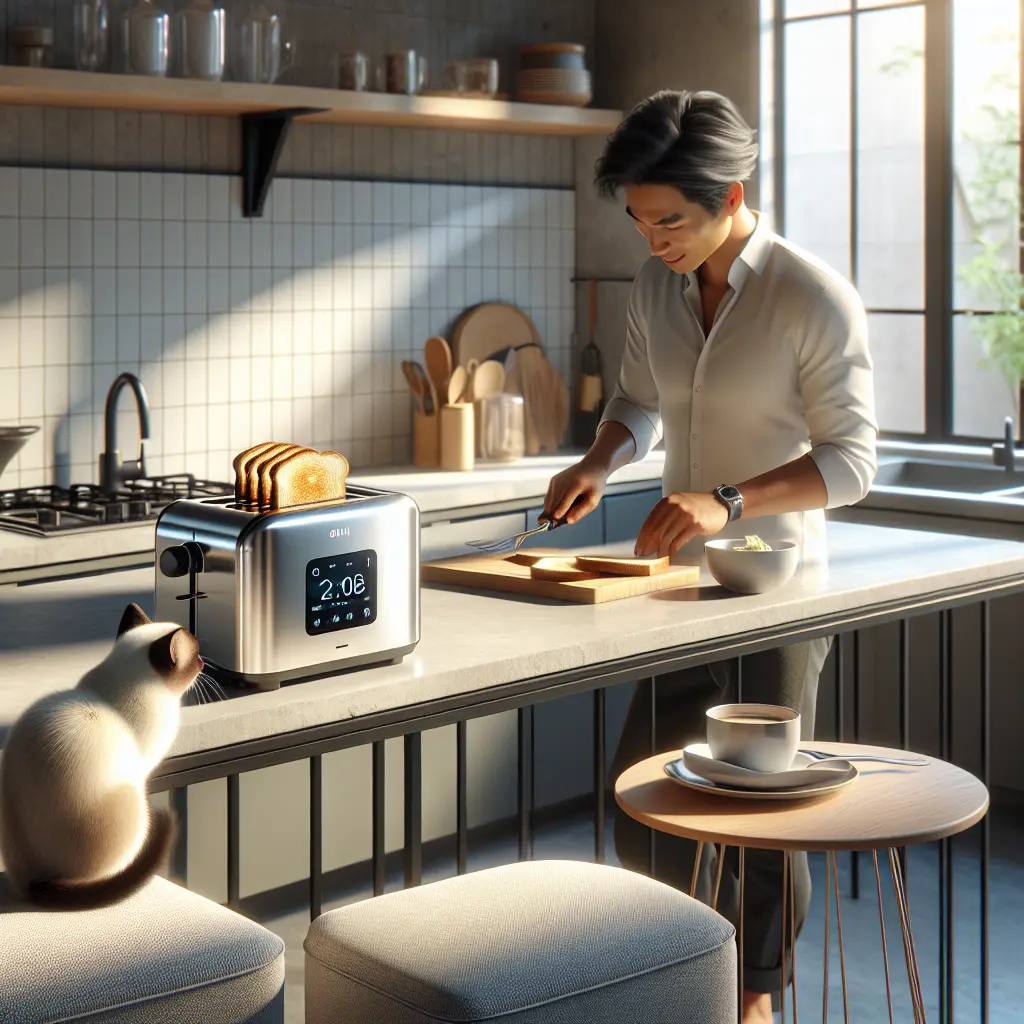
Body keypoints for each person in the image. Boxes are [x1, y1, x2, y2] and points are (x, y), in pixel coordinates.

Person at [543, 90, 877, 1023]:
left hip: (777, 586)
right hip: (681, 586)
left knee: (757, 811)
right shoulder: (656, 285)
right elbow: (638, 403)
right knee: (647, 798)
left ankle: (756, 999)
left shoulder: (811, 296)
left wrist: (727, 500)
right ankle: (688, 968)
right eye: (640, 221)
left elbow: (852, 463)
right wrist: (601, 461)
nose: (653, 241)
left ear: (732, 194)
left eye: (671, 220)